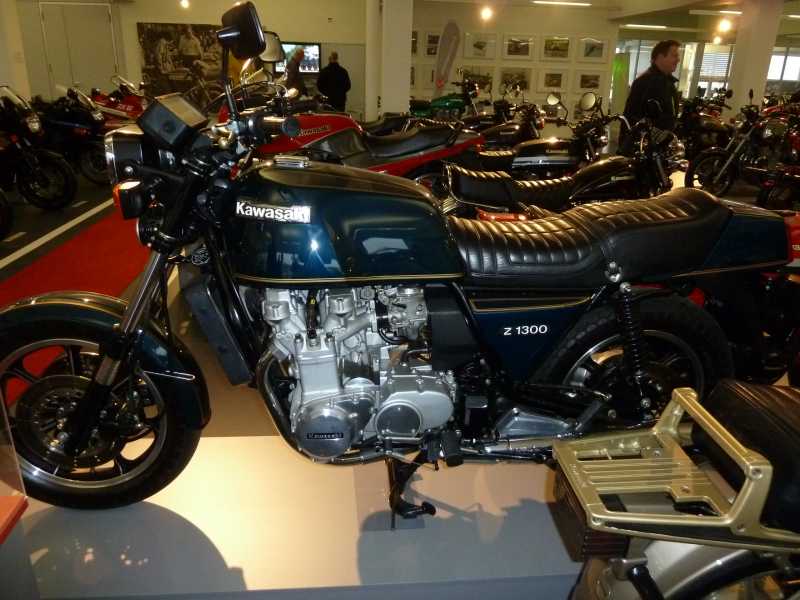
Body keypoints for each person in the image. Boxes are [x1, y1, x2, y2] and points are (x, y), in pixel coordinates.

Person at [621, 40, 681, 149]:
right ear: (660, 57)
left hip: (663, 146)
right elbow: (631, 117)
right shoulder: (645, 81)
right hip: (648, 148)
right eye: (674, 56)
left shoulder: (668, 82)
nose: (678, 60)